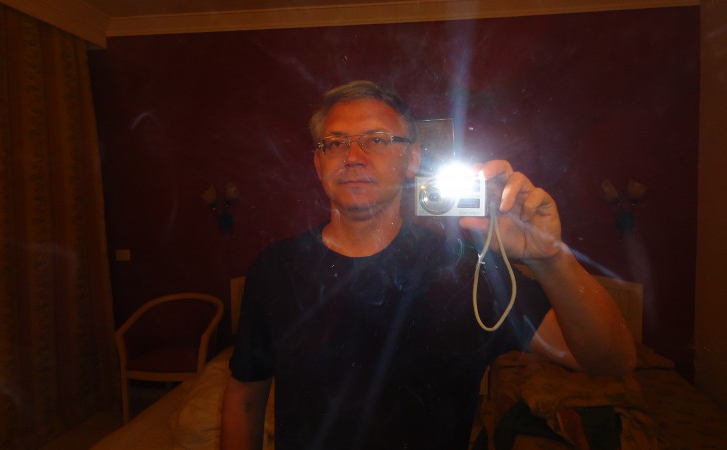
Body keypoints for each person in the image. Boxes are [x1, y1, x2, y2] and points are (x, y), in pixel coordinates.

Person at [221, 80, 636, 450]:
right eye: (335, 142)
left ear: (413, 160)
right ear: (318, 163)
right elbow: (245, 397)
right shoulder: (275, 268)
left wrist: (550, 258)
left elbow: (611, 360)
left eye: (377, 139)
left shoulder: (468, 269)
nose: (353, 156)